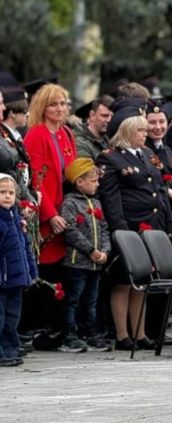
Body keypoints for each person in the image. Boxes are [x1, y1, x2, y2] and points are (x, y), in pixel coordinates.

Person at [97, 101, 172, 351]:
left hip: (150, 226)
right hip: (129, 227)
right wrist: (121, 231)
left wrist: (167, 225)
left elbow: (159, 192)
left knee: (142, 280)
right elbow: (111, 199)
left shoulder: (146, 155)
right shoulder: (111, 158)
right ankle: (122, 335)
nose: (146, 134)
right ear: (129, 131)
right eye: (141, 130)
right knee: (123, 282)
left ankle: (140, 333)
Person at [24, 83, 79, 350]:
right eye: (54, 104)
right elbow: (36, 181)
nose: (60, 108)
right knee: (47, 272)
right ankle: (42, 330)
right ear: (42, 108)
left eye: (63, 103)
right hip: (48, 217)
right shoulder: (36, 135)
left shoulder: (66, 133)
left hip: (66, 211)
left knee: (63, 273)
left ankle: (60, 329)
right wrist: (51, 214)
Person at [59, 158, 112, 352]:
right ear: (79, 181)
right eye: (94, 180)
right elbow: (71, 231)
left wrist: (105, 251)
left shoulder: (96, 202)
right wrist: (90, 250)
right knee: (73, 299)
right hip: (77, 263)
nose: (98, 184)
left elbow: (104, 228)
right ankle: (69, 335)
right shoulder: (70, 203)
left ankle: (90, 332)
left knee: (91, 301)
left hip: (95, 264)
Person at [0, 173, 37, 367]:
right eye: (2, 192)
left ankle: (10, 348)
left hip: (16, 278)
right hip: (2, 278)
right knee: (1, 316)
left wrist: (31, 272)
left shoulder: (16, 218)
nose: (7, 196)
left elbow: (25, 248)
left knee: (12, 317)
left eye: (11, 193)